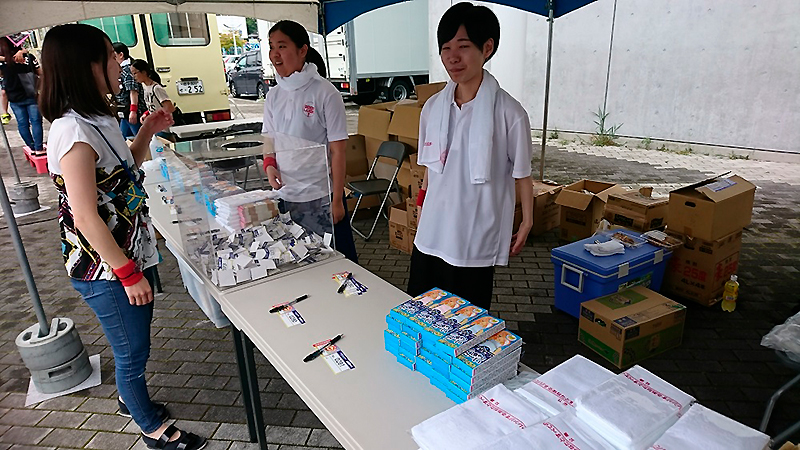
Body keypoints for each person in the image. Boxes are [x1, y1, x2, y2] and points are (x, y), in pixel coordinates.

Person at [40, 24, 207, 450]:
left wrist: (148, 129)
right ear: (88, 66)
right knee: (132, 350)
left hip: (128, 254)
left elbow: (122, 171)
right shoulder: (73, 133)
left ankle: (128, 399)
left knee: (134, 345)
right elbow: (85, 216)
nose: (121, 64)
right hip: (106, 269)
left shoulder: (97, 119)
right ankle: (152, 428)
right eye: (111, 58)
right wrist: (128, 273)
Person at [407, 2, 534, 310]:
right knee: (420, 314)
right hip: (432, 232)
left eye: (463, 46)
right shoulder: (433, 108)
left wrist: (527, 221)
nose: (452, 57)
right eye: (446, 47)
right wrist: (421, 207)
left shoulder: (509, 113)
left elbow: (522, 174)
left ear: (486, 47)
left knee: (466, 323)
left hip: (474, 235)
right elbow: (429, 170)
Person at [261, 20, 358, 263]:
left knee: (334, 262)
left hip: (321, 197)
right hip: (288, 195)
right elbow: (268, 139)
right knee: (298, 260)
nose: (275, 54)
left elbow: (338, 151)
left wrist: (337, 201)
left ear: (302, 50)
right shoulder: (273, 95)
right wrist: (269, 164)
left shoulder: (325, 93)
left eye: (282, 46)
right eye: (272, 46)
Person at [0, 36, 44, 155]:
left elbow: (3, 90)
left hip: (14, 98)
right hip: (31, 95)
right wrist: (24, 52)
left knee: (22, 124)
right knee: (36, 122)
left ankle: (32, 147)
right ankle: (39, 148)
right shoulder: (28, 57)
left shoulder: (3, 62)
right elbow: (40, 73)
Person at [112, 42, 145, 139]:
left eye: (114, 56)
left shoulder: (128, 70)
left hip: (131, 110)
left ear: (121, 55)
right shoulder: (122, 69)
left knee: (139, 136)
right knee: (123, 136)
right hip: (124, 110)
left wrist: (133, 111)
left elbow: (133, 91)